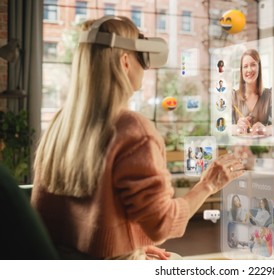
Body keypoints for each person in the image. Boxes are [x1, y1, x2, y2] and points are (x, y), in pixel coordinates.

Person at [31, 16, 245, 260]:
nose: (146, 68)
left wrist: (134, 243)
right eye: (141, 58)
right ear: (124, 62)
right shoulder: (131, 130)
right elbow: (162, 226)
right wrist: (208, 185)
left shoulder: (60, 123)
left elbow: (63, 214)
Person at [231, 49, 272, 137]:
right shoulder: (233, 96)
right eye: (245, 66)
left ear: (259, 67)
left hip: (262, 148)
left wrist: (265, 129)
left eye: (253, 65)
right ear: (241, 70)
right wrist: (237, 128)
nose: (249, 70)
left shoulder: (269, 95)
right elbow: (223, 127)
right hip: (240, 147)